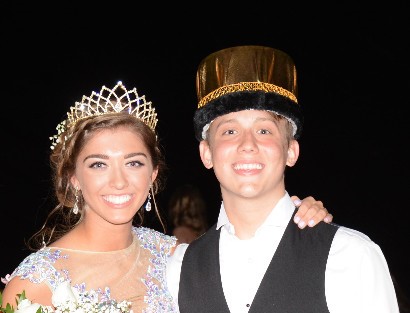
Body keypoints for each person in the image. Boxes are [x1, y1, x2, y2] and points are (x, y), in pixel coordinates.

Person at [0, 81, 333, 312]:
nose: (119, 181)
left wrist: (296, 220)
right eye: (99, 164)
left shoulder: (176, 257)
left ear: (152, 175)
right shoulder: (34, 284)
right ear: (73, 178)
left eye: (134, 163)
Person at [167, 46, 400, 313]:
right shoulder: (179, 270)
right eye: (230, 130)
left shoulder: (349, 255)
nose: (247, 144)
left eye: (264, 130)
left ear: (291, 150)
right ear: (206, 153)